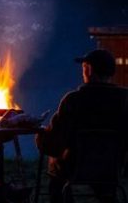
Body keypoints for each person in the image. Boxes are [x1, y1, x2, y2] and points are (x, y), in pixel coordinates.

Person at [36, 48, 128, 203]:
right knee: (103, 169)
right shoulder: (125, 100)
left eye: (84, 67)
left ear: (89, 70)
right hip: (112, 167)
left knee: (56, 170)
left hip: (74, 167)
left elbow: (54, 144)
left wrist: (41, 135)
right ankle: (107, 196)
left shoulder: (73, 100)